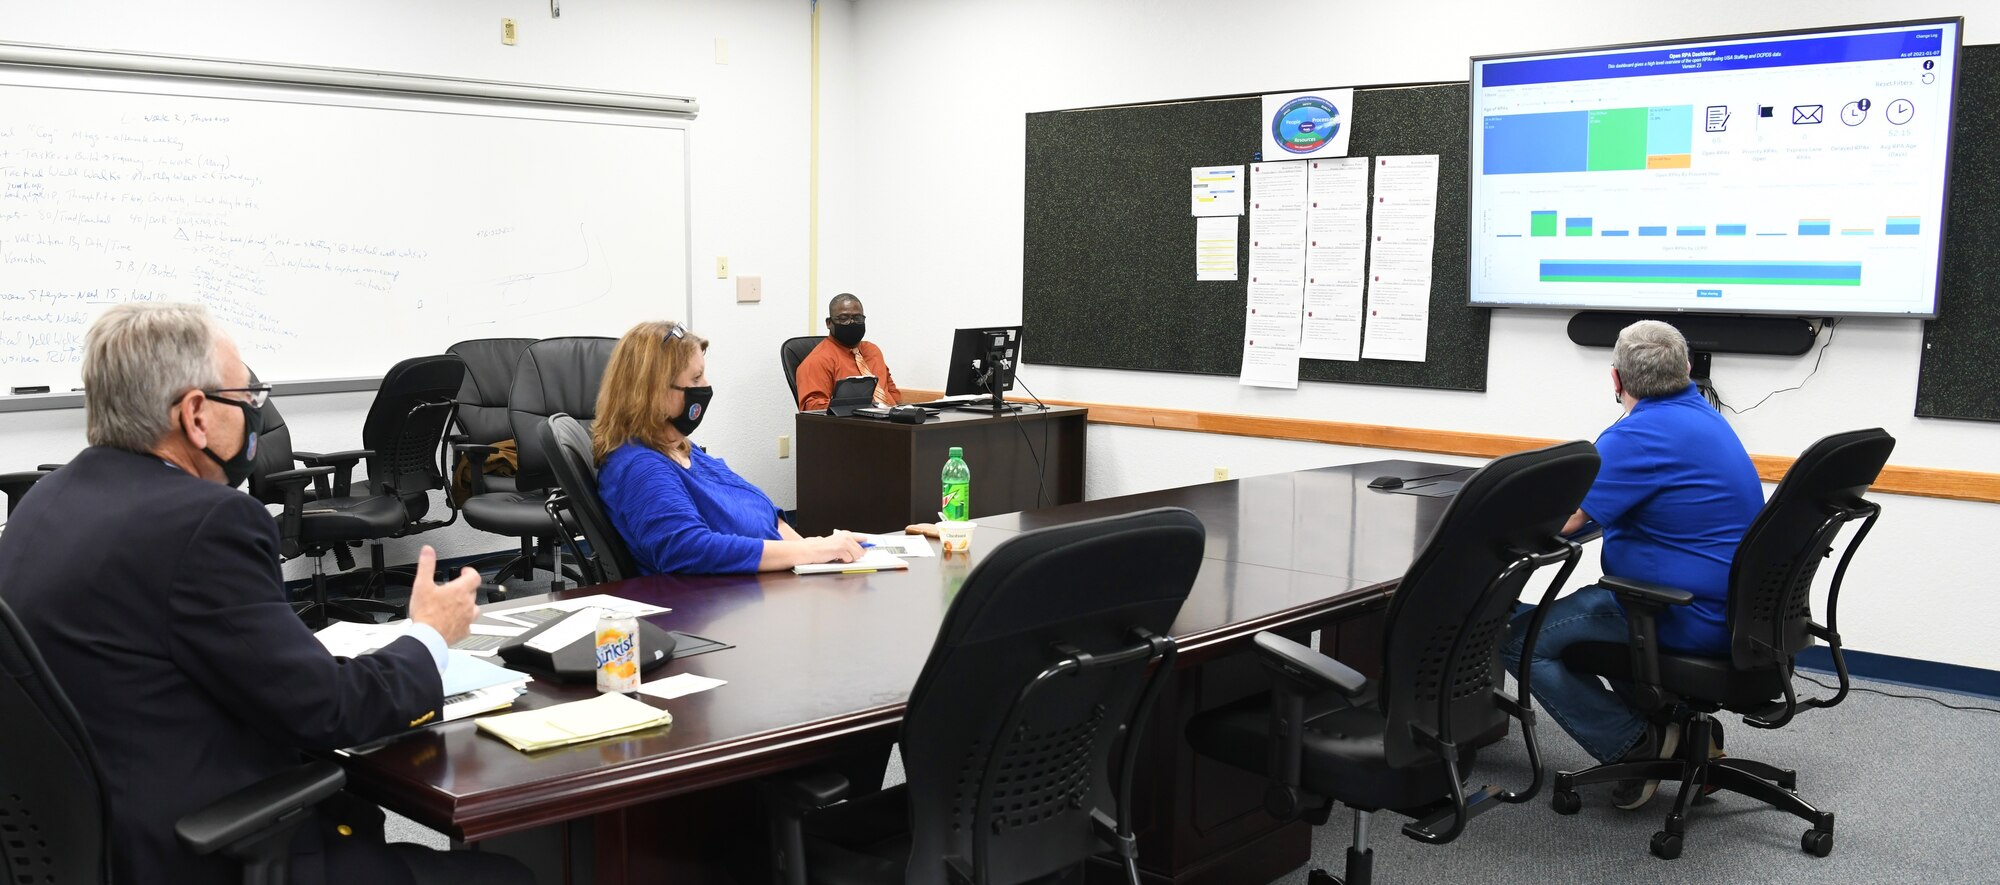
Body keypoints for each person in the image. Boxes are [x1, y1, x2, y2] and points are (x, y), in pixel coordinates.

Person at [0, 303, 530, 885]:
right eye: (248, 399)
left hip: (99, 841)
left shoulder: (43, 505)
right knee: (509, 876)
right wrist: (429, 635)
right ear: (196, 415)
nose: (256, 413)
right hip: (203, 852)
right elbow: (329, 710)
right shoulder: (207, 521)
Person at [1500, 320, 1763, 811]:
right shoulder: (1705, 417)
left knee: (1518, 641)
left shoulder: (1639, 435)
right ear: (1686, 370)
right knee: (1569, 627)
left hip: (1676, 613)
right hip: (1730, 610)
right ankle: (1684, 734)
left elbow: (1568, 520)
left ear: (1615, 379)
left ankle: (1634, 743)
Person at [595, 320, 867, 574]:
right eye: (696, 378)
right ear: (654, 393)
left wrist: (815, 554)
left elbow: (760, 511)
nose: (706, 386)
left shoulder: (679, 446)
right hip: (724, 600)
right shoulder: (641, 468)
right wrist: (809, 551)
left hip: (770, 578)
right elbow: (687, 548)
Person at [795, 292, 902, 411]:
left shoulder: (873, 351)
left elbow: (892, 393)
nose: (852, 323)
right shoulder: (817, 360)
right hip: (854, 426)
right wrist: (855, 406)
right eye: (844, 318)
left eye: (858, 318)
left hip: (892, 422)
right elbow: (811, 407)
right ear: (829, 323)